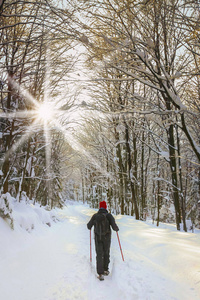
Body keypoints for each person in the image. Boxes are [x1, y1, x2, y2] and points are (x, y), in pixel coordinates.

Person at [87, 200, 119, 280]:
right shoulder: (109, 216)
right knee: (106, 252)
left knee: (99, 254)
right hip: (107, 238)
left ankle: (100, 273)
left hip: (98, 238)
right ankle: (105, 269)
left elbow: (88, 226)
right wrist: (116, 229)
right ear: (105, 207)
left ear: (99, 207)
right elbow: (114, 227)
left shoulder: (95, 216)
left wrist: (91, 226)